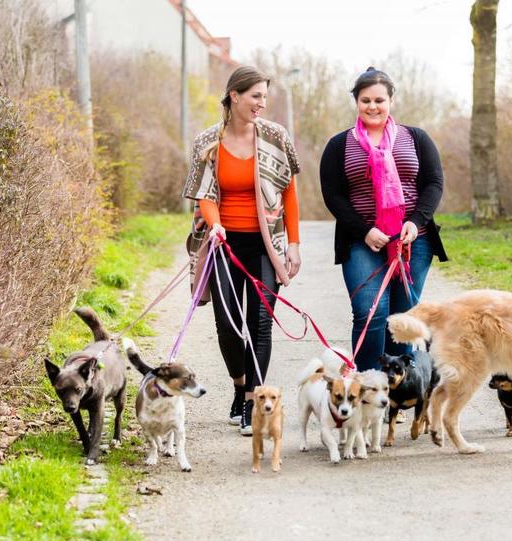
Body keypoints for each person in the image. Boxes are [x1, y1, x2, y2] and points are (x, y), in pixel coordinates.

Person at [183, 66, 301, 435]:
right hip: (223, 242)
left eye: (264, 97)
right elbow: (204, 194)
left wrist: (293, 244)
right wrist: (215, 224)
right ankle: (238, 385)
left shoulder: (275, 137)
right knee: (229, 325)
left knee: (260, 323)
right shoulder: (208, 143)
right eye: (255, 96)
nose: (261, 104)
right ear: (234, 95)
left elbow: (289, 193)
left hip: (267, 244)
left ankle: (253, 398)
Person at [319, 66, 448, 372]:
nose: (372, 106)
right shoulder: (340, 145)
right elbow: (333, 195)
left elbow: (434, 183)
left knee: (403, 318)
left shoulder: (415, 138)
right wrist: (365, 231)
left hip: (412, 239)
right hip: (362, 239)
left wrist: (415, 222)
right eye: (365, 100)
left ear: (391, 100)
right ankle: (366, 386)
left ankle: (395, 392)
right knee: (369, 312)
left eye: (379, 99)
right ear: (356, 102)